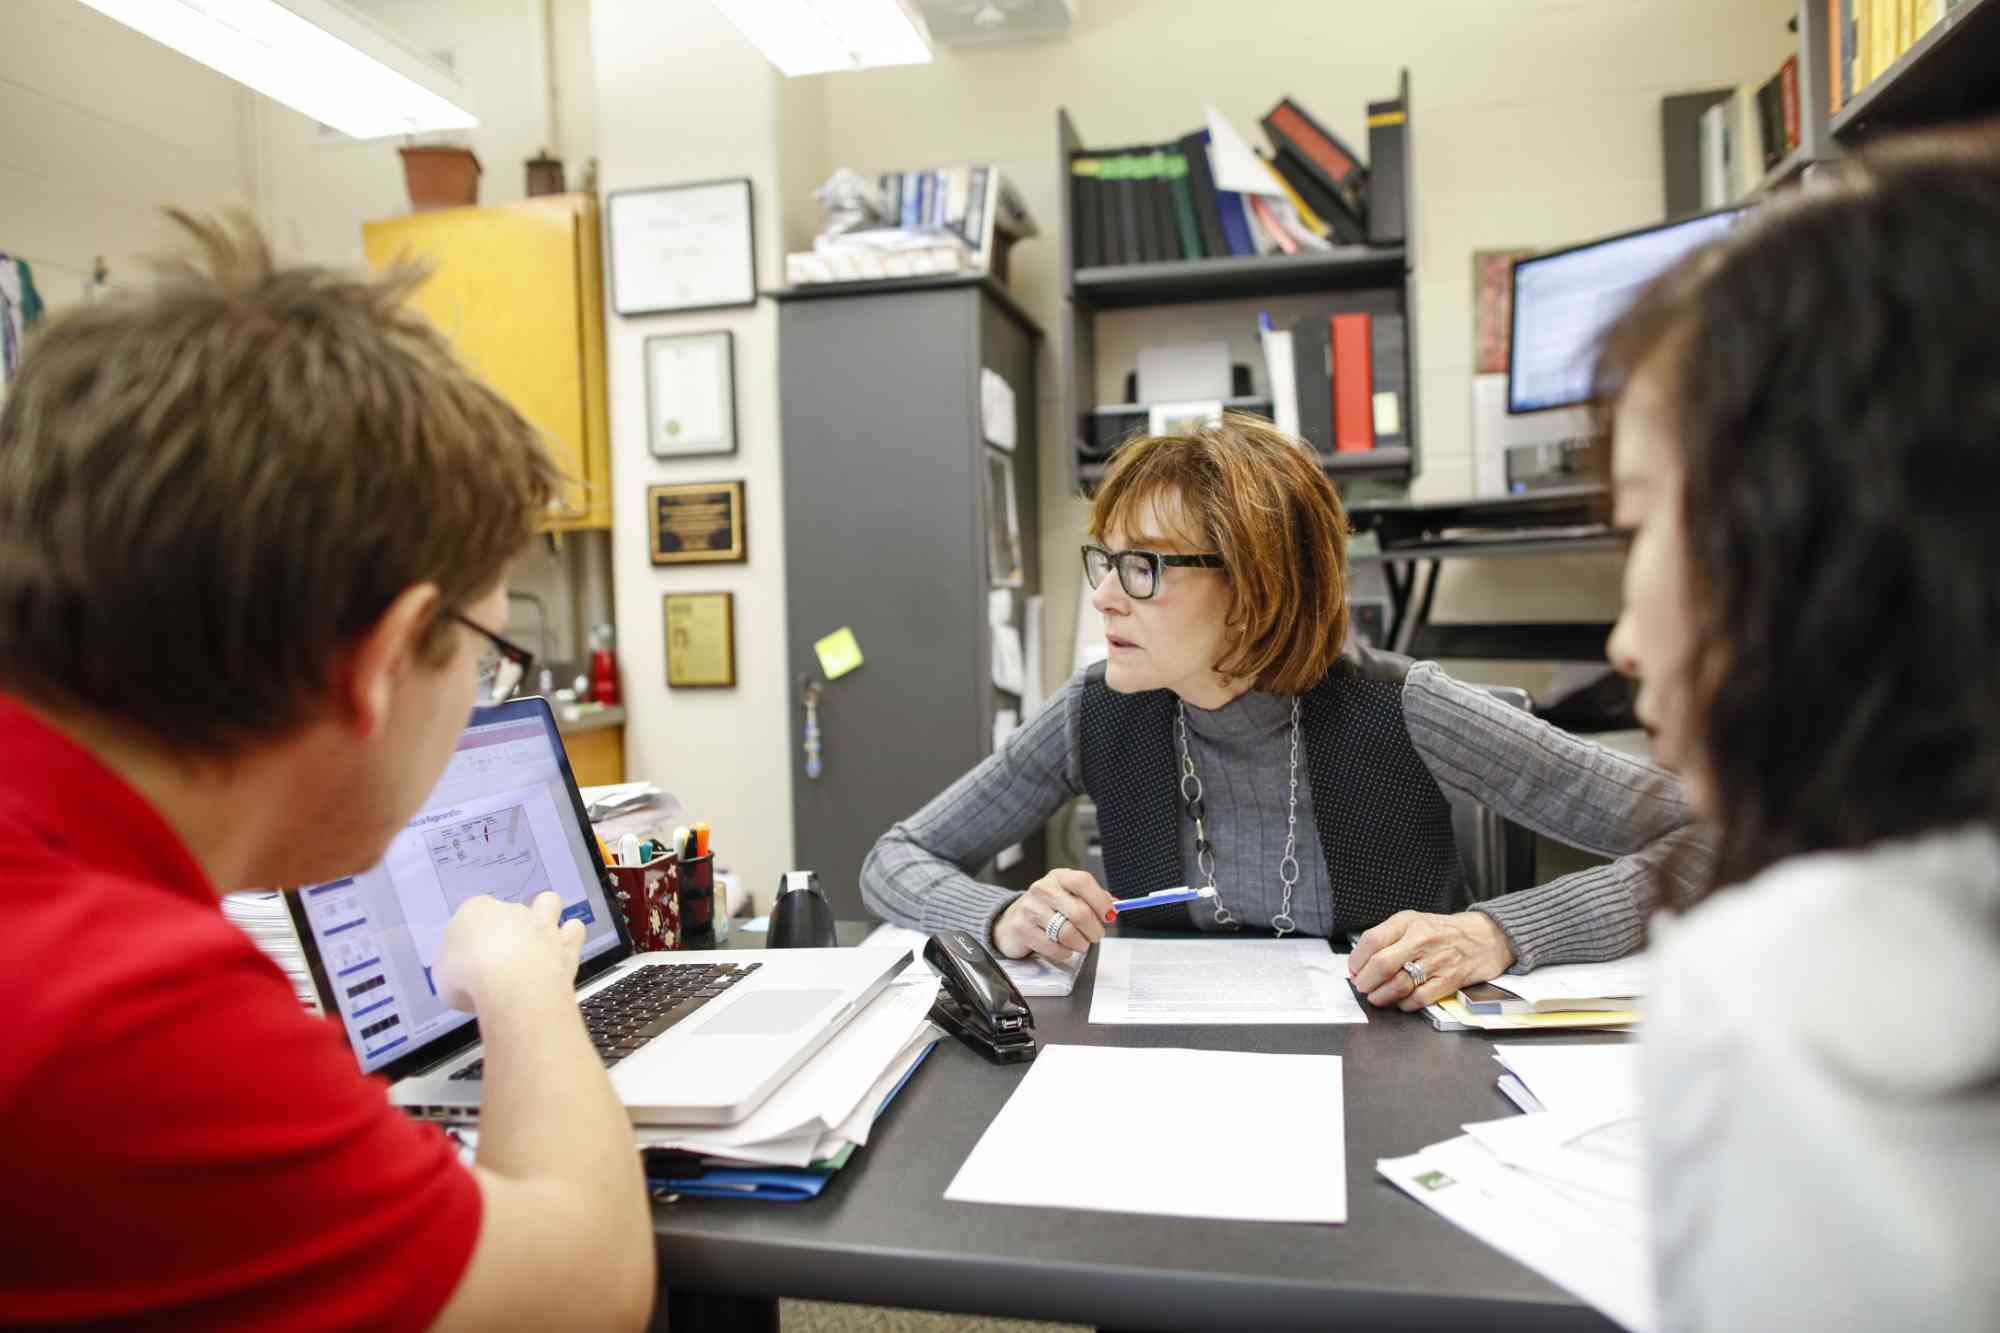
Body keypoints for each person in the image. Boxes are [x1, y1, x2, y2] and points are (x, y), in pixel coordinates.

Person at [0, 214, 653, 1330]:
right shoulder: (127, 1015)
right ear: (386, 659)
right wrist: (526, 984)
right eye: (491, 654)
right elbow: (579, 1291)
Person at [862, 413, 1710, 1005]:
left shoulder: (1405, 706)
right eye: (1105, 562)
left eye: (1146, 568)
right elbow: (893, 859)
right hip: (1158, 1074)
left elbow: (1717, 836)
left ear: (1257, 587)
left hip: (1395, 1080)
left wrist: (1499, 932)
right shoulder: (1097, 709)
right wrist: (1000, 914)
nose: (1108, 599)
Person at [1596, 123, 2000, 1329]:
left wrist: (1499, 928)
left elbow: (1641, 812)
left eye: (1635, 525)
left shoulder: (1783, 994)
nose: (1619, 640)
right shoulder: (1100, 711)